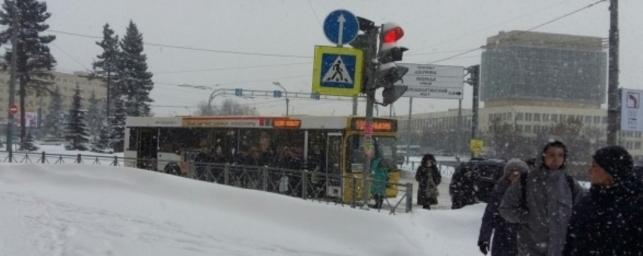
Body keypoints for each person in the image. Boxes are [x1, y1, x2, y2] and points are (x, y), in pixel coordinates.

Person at [499, 140, 583, 256]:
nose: (556, 159)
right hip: (530, 249)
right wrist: (527, 217)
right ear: (543, 156)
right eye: (551, 155)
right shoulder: (526, 181)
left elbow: (582, 213)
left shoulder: (570, 184)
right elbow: (506, 208)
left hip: (561, 249)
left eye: (560, 155)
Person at [563, 145, 643, 255]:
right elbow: (571, 241)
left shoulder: (634, 206)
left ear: (610, 172)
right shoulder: (587, 202)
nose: (590, 171)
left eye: (595, 166)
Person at [478, 159, 528, 255]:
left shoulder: (531, 191)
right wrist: (484, 238)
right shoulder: (499, 190)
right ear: (507, 175)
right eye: (512, 172)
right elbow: (489, 216)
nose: (515, 175)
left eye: (518, 172)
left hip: (524, 237)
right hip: (502, 237)